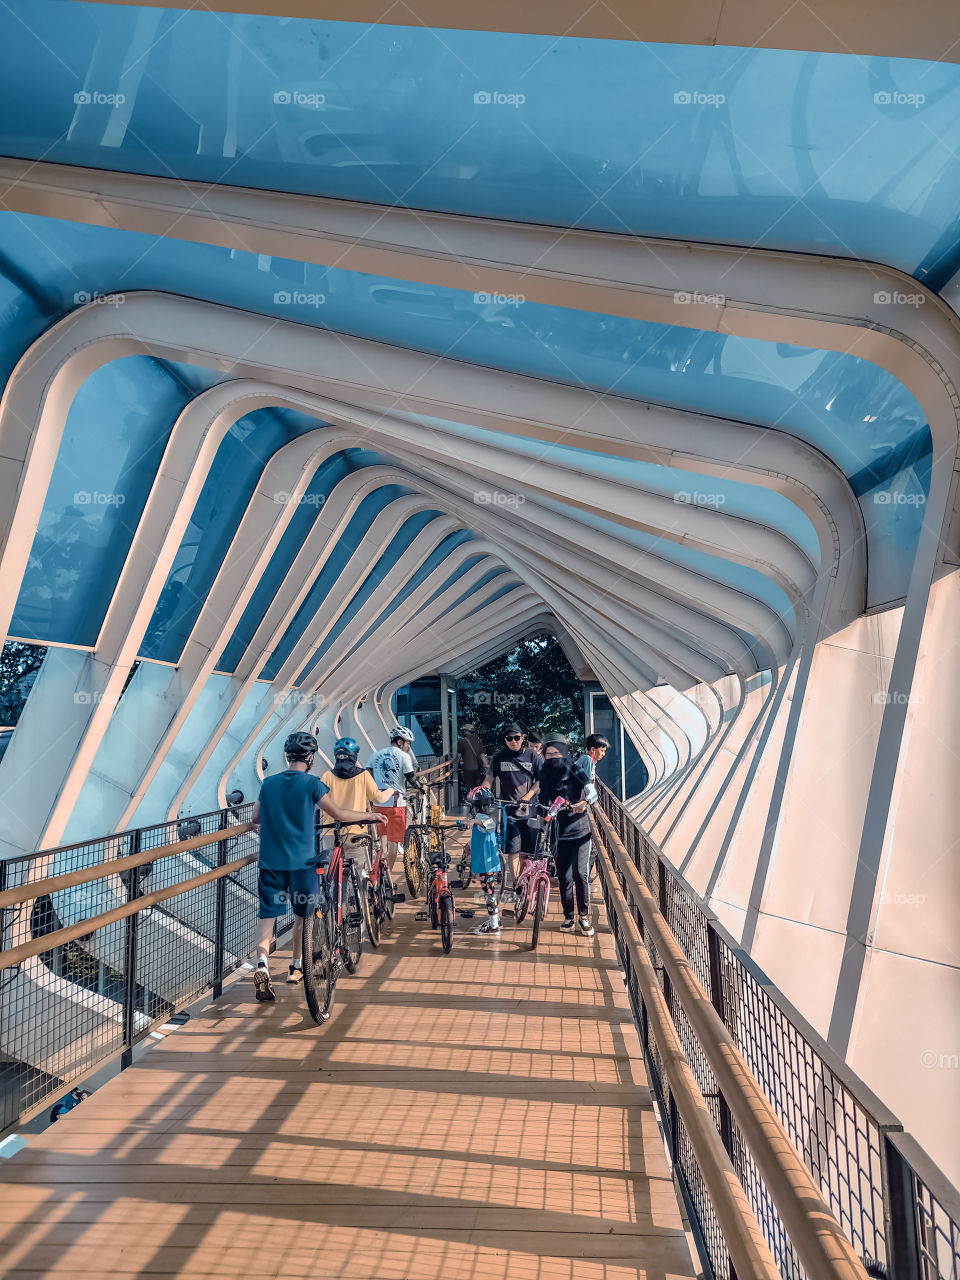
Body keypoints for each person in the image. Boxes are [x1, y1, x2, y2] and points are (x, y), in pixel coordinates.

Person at [251, 731, 385, 999]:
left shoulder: (268, 784)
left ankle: (263, 964)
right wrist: (370, 815)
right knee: (303, 914)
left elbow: (256, 818)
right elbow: (339, 814)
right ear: (310, 758)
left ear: (287, 757)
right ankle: (296, 967)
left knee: (268, 917)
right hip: (303, 862)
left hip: (270, 861)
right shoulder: (312, 784)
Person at [538, 733, 595, 935]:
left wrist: (584, 803)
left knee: (581, 873)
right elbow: (543, 799)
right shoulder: (545, 774)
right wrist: (541, 814)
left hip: (580, 830)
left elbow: (592, 791)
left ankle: (584, 917)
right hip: (558, 832)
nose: (553, 757)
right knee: (564, 876)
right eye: (549, 754)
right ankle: (568, 917)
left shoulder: (576, 769)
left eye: (557, 753)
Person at [320, 737, 397, 877]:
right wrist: (391, 790)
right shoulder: (363, 776)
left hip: (330, 832)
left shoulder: (326, 776)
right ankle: (357, 898)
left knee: (331, 874)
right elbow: (378, 798)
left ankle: (334, 898)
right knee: (357, 875)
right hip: (355, 832)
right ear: (354, 756)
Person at [480, 722, 540, 889]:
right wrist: (481, 794)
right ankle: (516, 884)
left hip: (530, 811)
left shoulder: (532, 756)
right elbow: (489, 779)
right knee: (512, 850)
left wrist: (527, 797)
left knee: (526, 852)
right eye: (509, 738)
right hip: (509, 811)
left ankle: (524, 879)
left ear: (523, 738)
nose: (514, 741)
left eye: (517, 738)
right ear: (505, 740)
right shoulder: (499, 757)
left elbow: (540, 781)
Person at [366, 725, 420, 875]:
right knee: (394, 841)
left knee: (381, 838)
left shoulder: (376, 754)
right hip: (396, 804)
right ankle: (388, 873)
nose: (410, 747)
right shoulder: (404, 757)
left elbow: (368, 773)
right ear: (400, 742)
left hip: (378, 803)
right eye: (408, 743)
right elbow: (411, 778)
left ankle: (378, 868)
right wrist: (422, 788)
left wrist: (376, 788)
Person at [467, 787, 502, 934]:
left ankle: (494, 926)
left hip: (486, 864)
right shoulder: (482, 818)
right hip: (487, 863)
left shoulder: (484, 819)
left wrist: (473, 820)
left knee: (489, 893)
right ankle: (494, 920)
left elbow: (489, 825)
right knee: (489, 892)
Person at [456, 722, 487, 793]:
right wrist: (486, 768)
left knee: (469, 789)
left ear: (465, 731)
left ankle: (470, 802)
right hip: (477, 769)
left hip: (468, 769)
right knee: (478, 789)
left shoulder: (462, 741)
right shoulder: (478, 741)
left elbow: (458, 756)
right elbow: (483, 757)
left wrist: (454, 767)